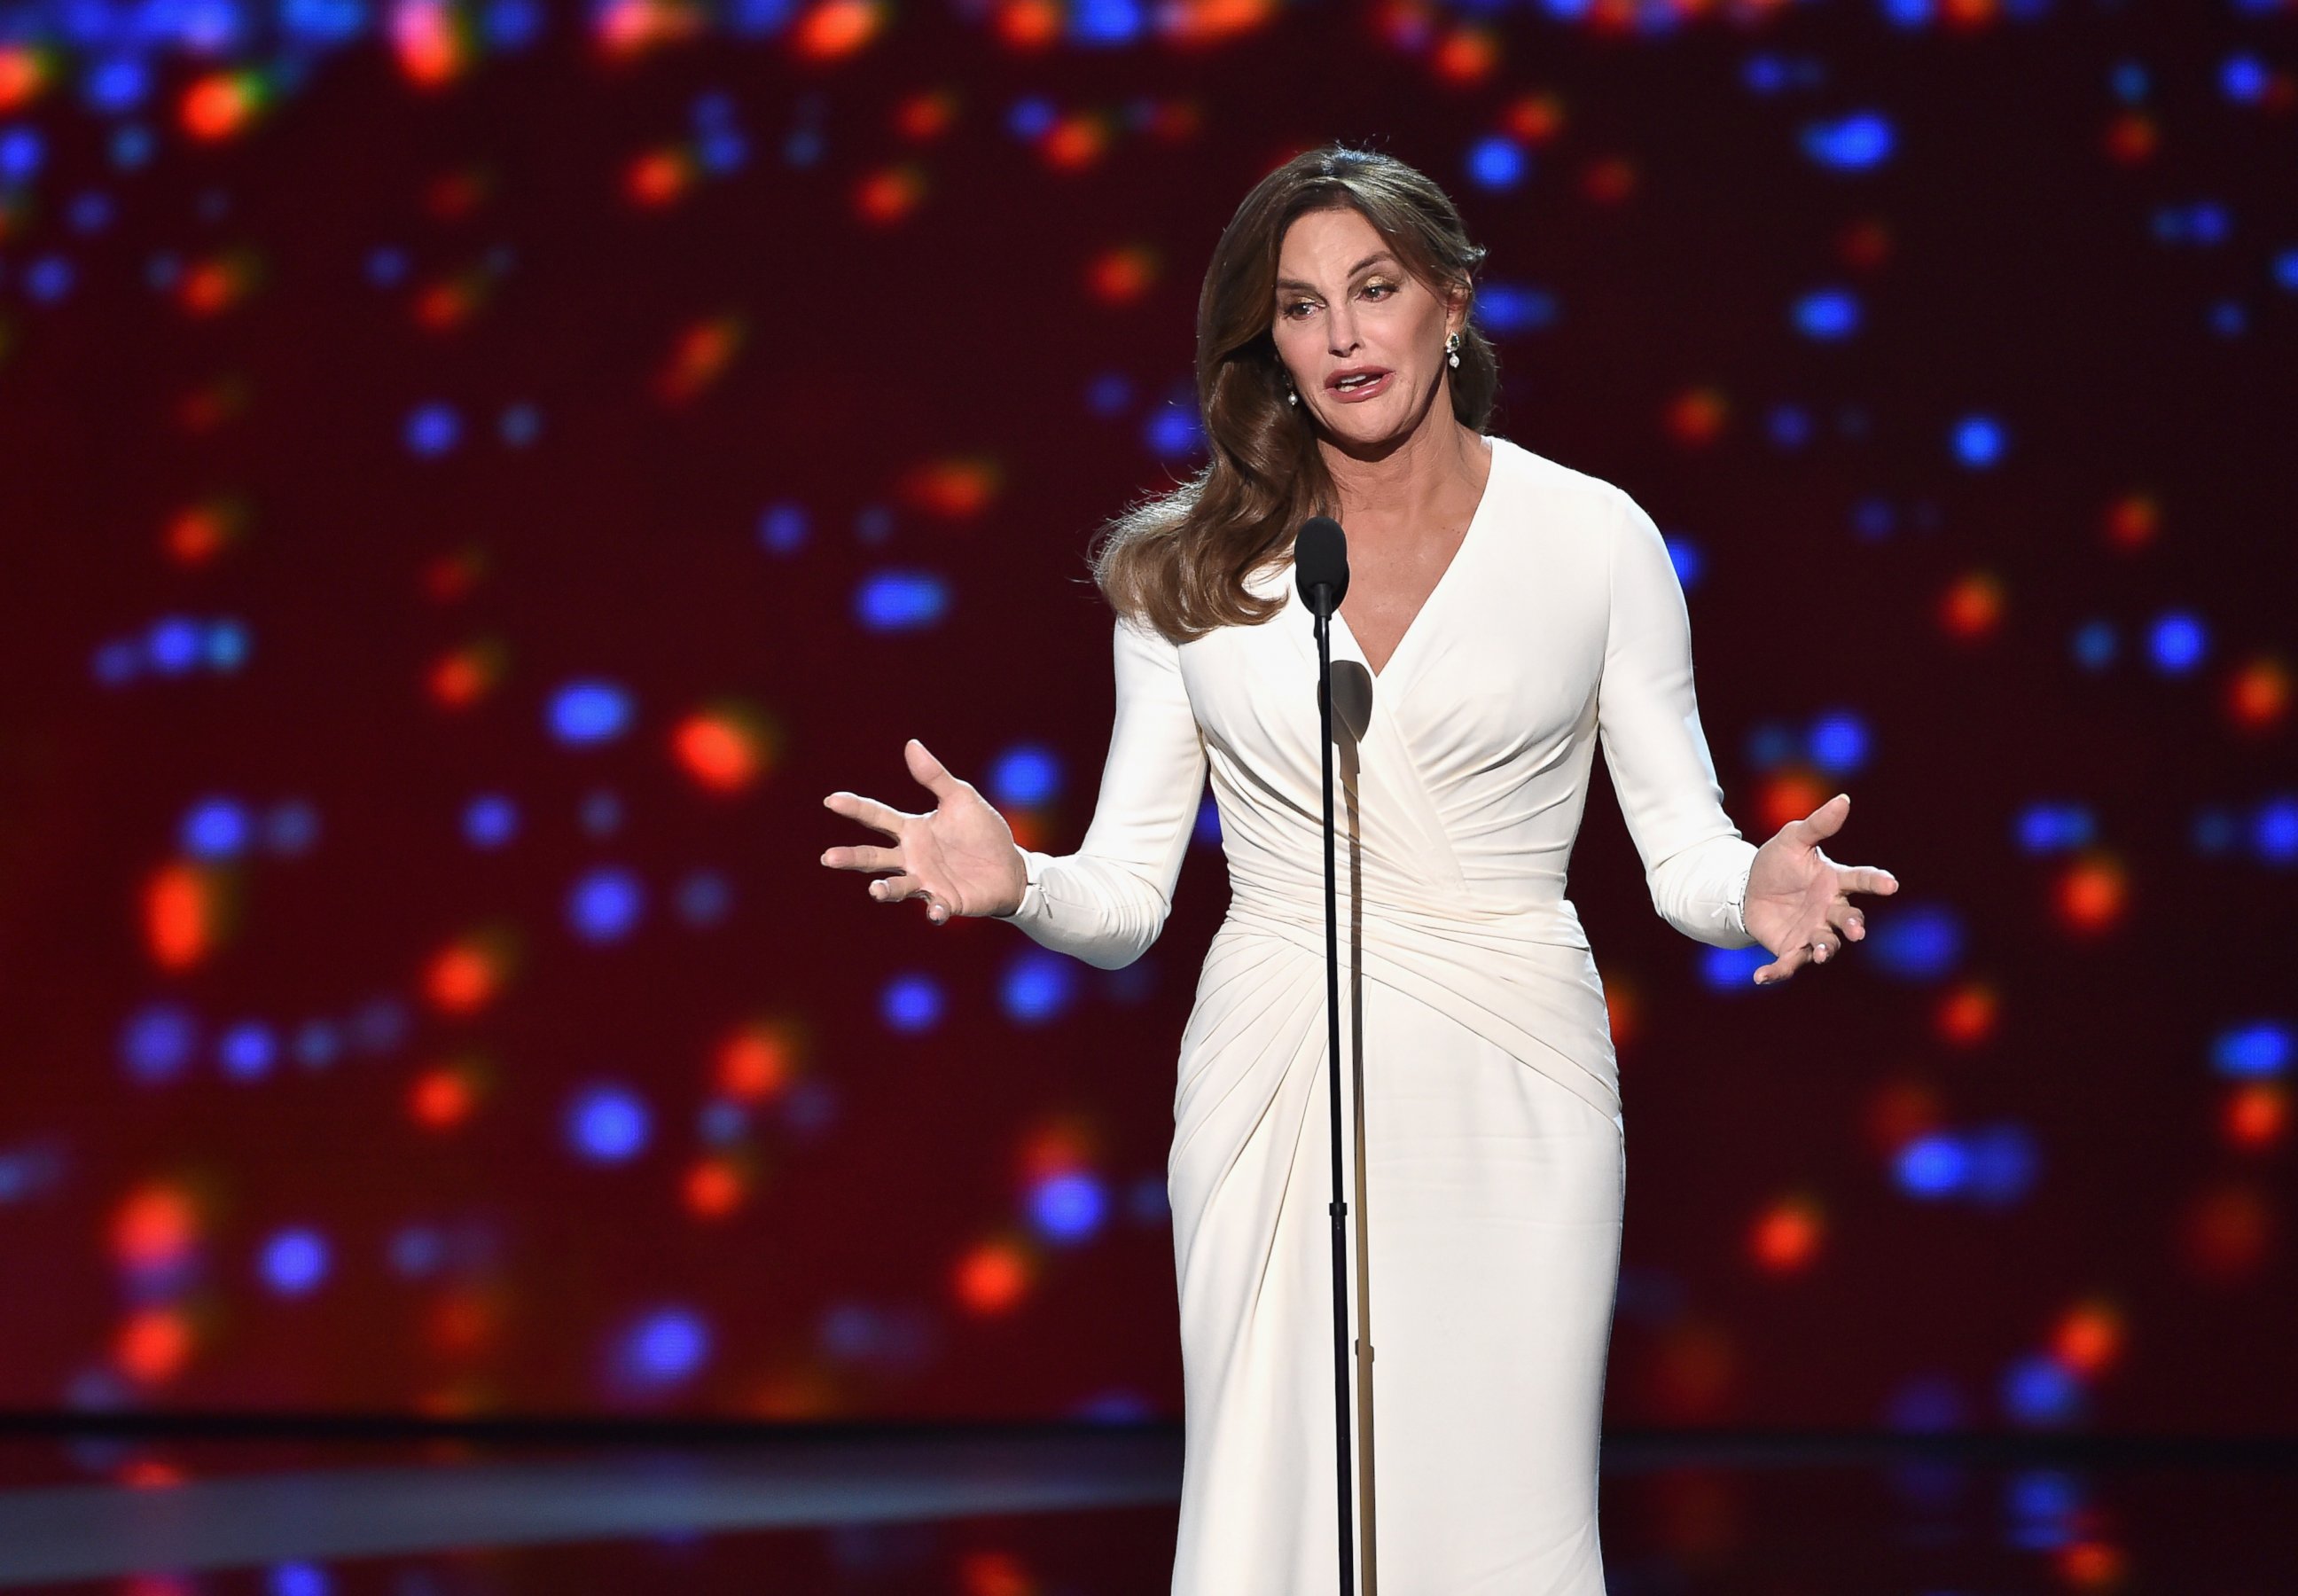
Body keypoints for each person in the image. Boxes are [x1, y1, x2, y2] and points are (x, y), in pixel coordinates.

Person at [819, 145, 1898, 1595]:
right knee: (1279, 1502)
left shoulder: (1593, 540)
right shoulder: (1193, 568)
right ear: (1266, 343)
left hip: (1514, 1063)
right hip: (1276, 1060)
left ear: (1449, 301)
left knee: (1501, 1512)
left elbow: (1682, 847)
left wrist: (1744, 892)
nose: (1339, 335)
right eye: (1300, 305)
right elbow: (1131, 898)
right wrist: (1022, 881)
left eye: (1373, 290)